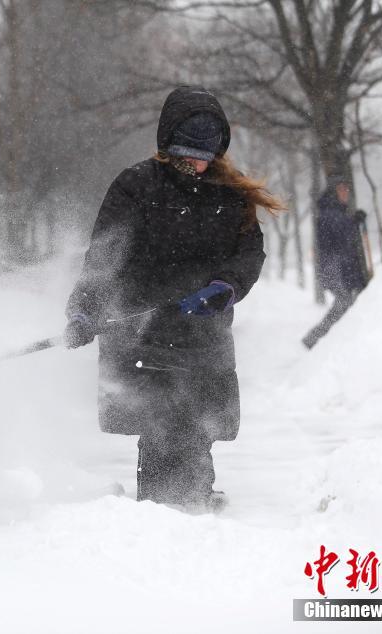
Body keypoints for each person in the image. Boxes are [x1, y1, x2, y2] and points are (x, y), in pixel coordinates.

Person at [63, 85, 284, 513]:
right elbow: (104, 257)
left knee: (198, 424)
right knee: (162, 422)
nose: (196, 164)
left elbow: (248, 253)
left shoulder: (230, 195)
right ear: (168, 146)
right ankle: (167, 512)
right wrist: (84, 310)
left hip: (204, 334)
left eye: (204, 155)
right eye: (186, 154)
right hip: (142, 335)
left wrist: (226, 287)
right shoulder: (135, 187)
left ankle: (192, 504)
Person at [301, 176, 370, 350]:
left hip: (336, 268)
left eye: (347, 189)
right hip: (331, 269)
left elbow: (342, 236)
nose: (346, 193)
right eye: (342, 189)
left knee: (346, 302)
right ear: (333, 193)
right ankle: (318, 339)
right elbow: (339, 233)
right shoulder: (328, 212)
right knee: (345, 302)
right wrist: (354, 221)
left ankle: (321, 339)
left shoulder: (335, 212)